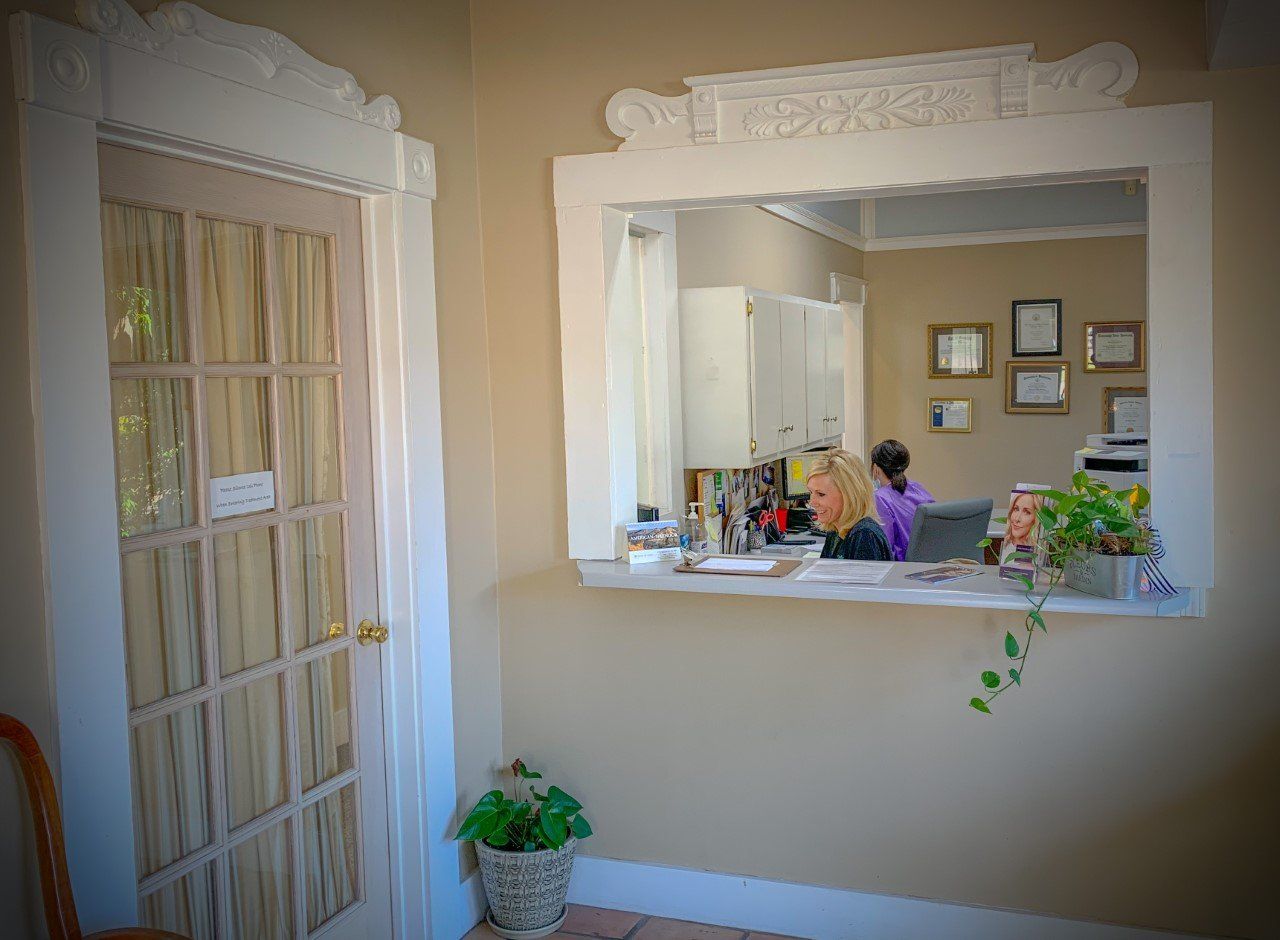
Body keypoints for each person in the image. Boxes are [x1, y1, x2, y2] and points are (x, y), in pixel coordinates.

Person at [805, 449, 891, 561]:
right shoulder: (835, 529)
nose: (812, 502)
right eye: (811, 492)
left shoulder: (864, 536)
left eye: (821, 494)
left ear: (849, 495)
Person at [869, 439, 935, 561]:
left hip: (899, 568)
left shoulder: (880, 498)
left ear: (876, 468)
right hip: (928, 563)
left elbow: (885, 547)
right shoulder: (918, 488)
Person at [998, 490, 1043, 569]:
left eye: (1027, 512)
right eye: (1016, 509)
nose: (1017, 519)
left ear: (1036, 519)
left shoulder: (1038, 550)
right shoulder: (1006, 547)